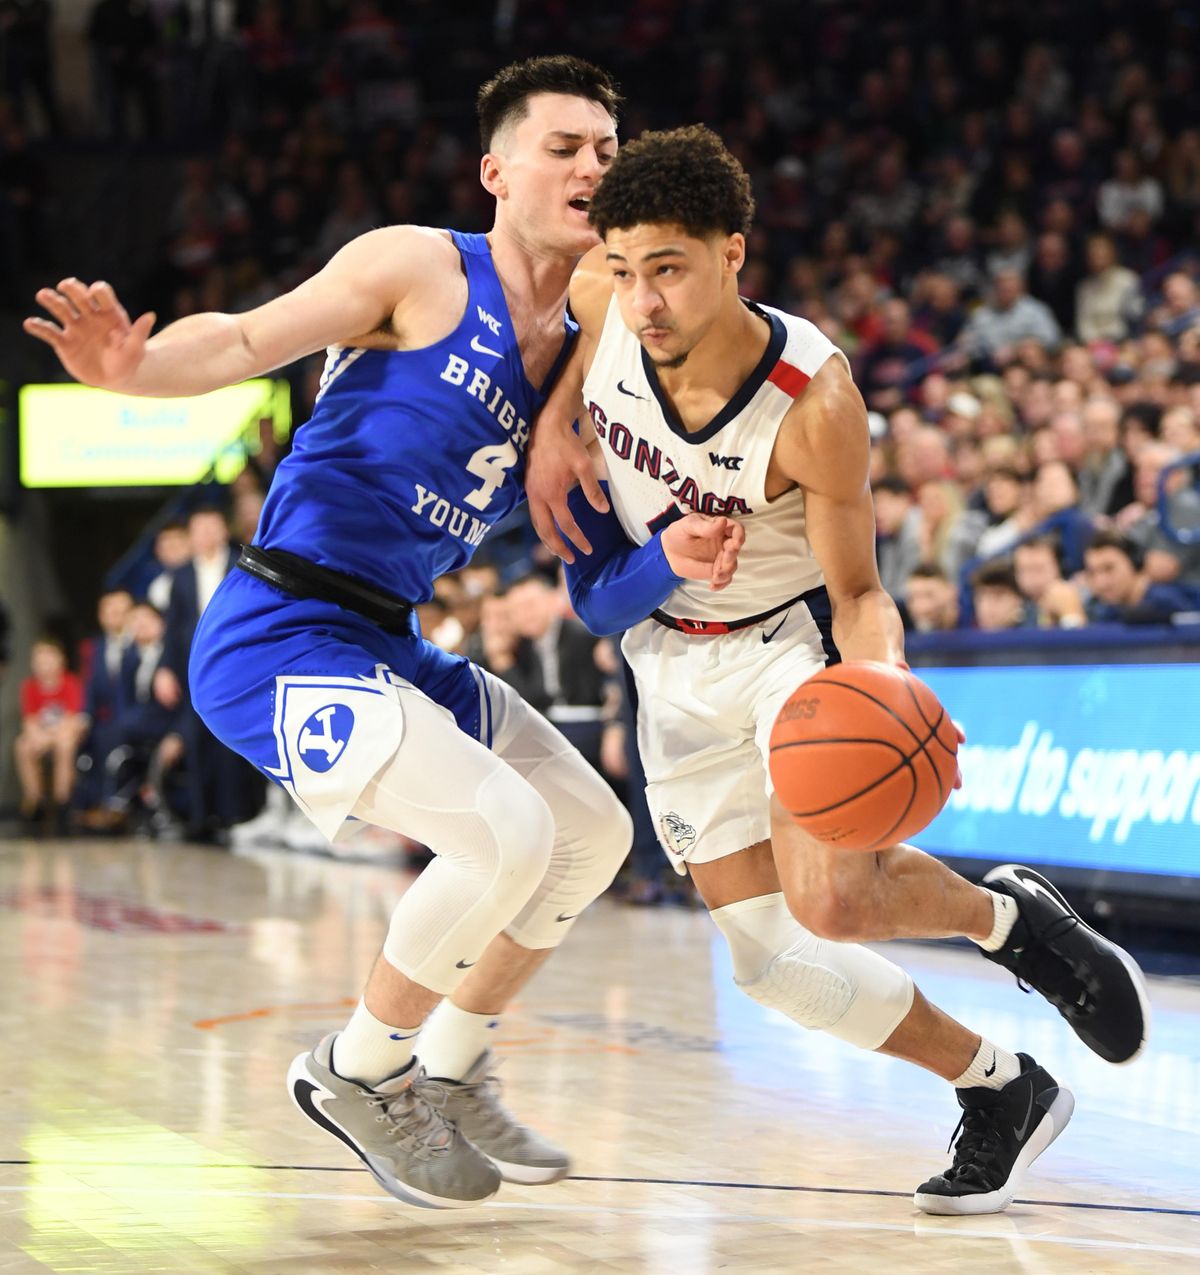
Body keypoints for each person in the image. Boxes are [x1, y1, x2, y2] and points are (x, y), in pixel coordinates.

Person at [22, 55, 671, 1211]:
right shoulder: (417, 265)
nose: (591, 167)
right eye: (564, 147)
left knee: (589, 831)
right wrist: (132, 372)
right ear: (496, 170)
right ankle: (357, 1071)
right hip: (280, 625)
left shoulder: (597, 328)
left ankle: (455, 1063)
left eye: (607, 152)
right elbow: (240, 341)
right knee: (506, 834)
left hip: (393, 637)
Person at [525, 125, 1150, 1216]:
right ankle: (1001, 1080)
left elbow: (858, 591)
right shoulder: (599, 295)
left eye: (669, 268)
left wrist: (887, 685)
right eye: (626, 270)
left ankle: (1009, 924)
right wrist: (554, 423)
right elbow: (582, 337)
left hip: (785, 647)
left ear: (733, 253)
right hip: (669, 659)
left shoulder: (813, 401)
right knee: (773, 967)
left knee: (832, 905)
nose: (645, 300)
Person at [15, 637, 88, 834]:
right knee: (22, 746)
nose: (43, 664)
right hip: (42, 736)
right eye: (39, 659)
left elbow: (72, 719)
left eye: (48, 658)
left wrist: (47, 737)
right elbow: (29, 721)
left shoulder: (70, 683)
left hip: (65, 734)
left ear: (60, 660)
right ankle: (34, 800)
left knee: (64, 744)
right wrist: (38, 737)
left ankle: (62, 800)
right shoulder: (29, 687)